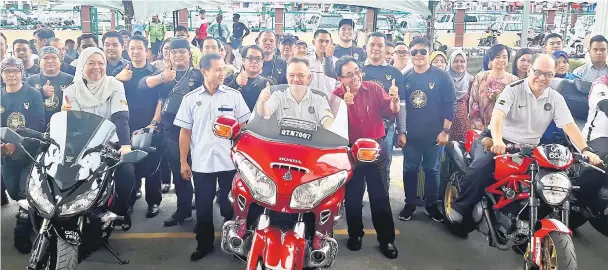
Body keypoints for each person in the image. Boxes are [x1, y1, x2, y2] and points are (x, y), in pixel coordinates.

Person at [447, 54, 603, 224]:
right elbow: (498, 116)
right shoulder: (514, 89)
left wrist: (586, 150)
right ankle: (460, 206)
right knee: (481, 167)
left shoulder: (556, 98)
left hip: (530, 148)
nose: (542, 78)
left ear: (553, 75)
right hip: (498, 139)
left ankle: (524, 224)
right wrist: (498, 140)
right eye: (538, 72)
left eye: (548, 74)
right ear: (529, 70)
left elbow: (570, 126)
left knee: (548, 183)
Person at [174, 53, 250, 261]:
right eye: (217, 69)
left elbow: (244, 130)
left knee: (231, 205)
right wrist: (183, 161)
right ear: (204, 71)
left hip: (229, 162)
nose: (222, 73)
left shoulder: (233, 96)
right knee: (204, 207)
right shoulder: (191, 99)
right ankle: (204, 244)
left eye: (223, 69)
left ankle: (237, 242)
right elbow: (185, 133)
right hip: (202, 163)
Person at [332, 56, 399, 259]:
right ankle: (355, 235)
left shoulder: (374, 88)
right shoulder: (336, 95)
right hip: (350, 152)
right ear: (340, 78)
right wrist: (343, 104)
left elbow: (391, 111)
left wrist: (395, 100)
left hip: (375, 148)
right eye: (348, 75)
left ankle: (386, 239)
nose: (355, 77)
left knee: (380, 196)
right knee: (352, 198)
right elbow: (331, 124)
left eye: (357, 71)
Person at [61, 47, 136, 231]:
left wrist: (125, 145)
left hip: (112, 141)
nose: (97, 67)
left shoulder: (114, 85)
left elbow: (120, 117)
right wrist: (66, 115)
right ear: (81, 66)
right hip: (83, 143)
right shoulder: (71, 90)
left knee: (127, 173)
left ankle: (122, 210)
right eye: (91, 63)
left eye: (101, 63)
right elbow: (74, 123)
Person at [140, 38, 204, 226]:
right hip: (170, 131)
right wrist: (154, 122)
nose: (178, 55)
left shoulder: (199, 75)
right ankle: (183, 211)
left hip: (196, 131)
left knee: (200, 174)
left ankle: (202, 215)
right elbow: (158, 99)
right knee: (178, 172)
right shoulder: (165, 76)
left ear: (189, 54)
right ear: (169, 54)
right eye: (174, 52)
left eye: (182, 52)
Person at [396, 37, 456, 222]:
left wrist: (445, 131)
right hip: (412, 135)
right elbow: (401, 107)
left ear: (429, 53)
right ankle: (410, 203)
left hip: (435, 134)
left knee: (432, 170)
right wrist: (401, 132)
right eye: (414, 52)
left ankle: (431, 204)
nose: (418, 55)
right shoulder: (405, 77)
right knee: (410, 169)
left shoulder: (442, 76)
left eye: (423, 51)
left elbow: (450, 104)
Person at [1, 57, 45, 254]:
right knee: (12, 191)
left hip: (29, 152)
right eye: (7, 71)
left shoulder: (33, 94)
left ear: (21, 73)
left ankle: (22, 232)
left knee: (23, 193)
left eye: (15, 71)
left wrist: (16, 143)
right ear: (2, 74)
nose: (11, 74)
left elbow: (38, 125)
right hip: (6, 155)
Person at [116, 35, 163, 218]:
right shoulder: (122, 72)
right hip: (126, 124)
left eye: (139, 48)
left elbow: (161, 99)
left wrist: (154, 122)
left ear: (147, 51)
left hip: (149, 123)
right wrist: (117, 79)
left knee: (153, 166)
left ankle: (153, 202)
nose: (135, 52)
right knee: (128, 164)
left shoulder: (154, 73)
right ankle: (131, 196)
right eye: (132, 48)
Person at [357, 32, 404, 189]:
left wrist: (402, 131)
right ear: (365, 47)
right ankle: (357, 202)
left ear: (385, 49)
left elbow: (401, 106)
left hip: (386, 129)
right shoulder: (357, 70)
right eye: (372, 44)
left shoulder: (395, 73)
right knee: (358, 164)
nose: (375, 48)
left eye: (380, 45)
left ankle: (382, 202)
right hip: (359, 128)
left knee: (384, 165)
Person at [256, 58, 334, 129]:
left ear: (309, 77)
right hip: (283, 142)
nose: (296, 79)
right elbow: (264, 112)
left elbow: (327, 119)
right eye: (291, 75)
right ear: (286, 77)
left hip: (310, 144)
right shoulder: (278, 96)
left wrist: (330, 127)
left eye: (301, 75)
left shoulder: (319, 100)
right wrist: (262, 101)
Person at [469, 44, 519, 130]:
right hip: (481, 127)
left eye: (504, 57)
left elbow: (516, 107)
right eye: (497, 57)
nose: (501, 60)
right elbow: (473, 101)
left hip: (505, 129)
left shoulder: (514, 80)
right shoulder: (480, 77)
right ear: (491, 59)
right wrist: (478, 125)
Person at [578, 74, 608, 212]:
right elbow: (605, 104)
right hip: (597, 136)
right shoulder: (601, 84)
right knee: (601, 164)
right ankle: (582, 203)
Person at [26, 46, 74, 124]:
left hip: (64, 124)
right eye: (45, 58)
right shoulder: (30, 81)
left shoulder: (71, 80)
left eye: (54, 57)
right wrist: (41, 93)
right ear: (39, 61)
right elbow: (25, 103)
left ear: (60, 61)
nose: (50, 61)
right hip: (38, 126)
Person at [224, 45, 270, 111]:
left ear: (262, 62)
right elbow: (222, 100)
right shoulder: (230, 79)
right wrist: (236, 83)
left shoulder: (267, 83)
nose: (254, 61)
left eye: (258, 59)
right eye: (250, 58)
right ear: (243, 61)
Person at [446, 50, 474, 142]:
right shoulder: (444, 78)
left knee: (461, 152)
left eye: (462, 61)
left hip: (463, 123)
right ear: (450, 62)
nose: (459, 64)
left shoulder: (470, 79)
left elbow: (471, 103)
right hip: (445, 122)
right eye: (455, 61)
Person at [307, 29, 338, 97]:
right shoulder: (306, 62)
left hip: (329, 103)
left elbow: (339, 85)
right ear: (313, 42)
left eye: (327, 41)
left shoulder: (336, 62)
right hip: (310, 102)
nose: (324, 44)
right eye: (321, 41)